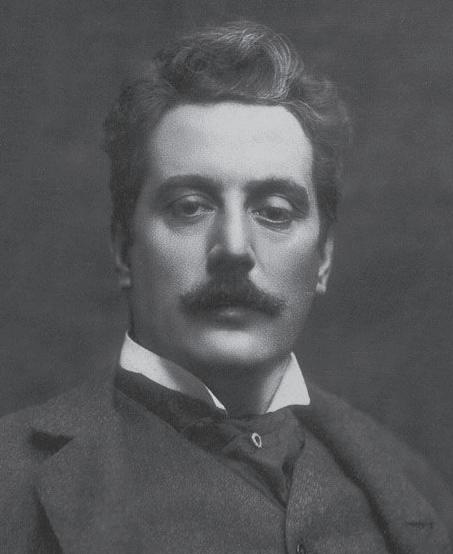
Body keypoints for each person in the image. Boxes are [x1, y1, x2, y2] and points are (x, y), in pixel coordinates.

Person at [1, 20, 452, 554]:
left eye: (275, 211)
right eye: (190, 207)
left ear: (324, 258)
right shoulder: (12, 482)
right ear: (124, 248)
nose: (234, 248)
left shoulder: (413, 485)